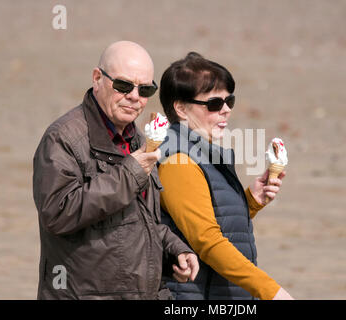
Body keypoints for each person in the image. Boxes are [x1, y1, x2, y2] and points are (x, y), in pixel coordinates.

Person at [32, 41, 198, 300]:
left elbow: (138, 223)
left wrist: (174, 251)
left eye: (145, 89)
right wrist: (130, 173)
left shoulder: (138, 140)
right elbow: (58, 213)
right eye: (123, 85)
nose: (134, 96)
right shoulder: (62, 138)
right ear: (97, 78)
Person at [157, 52, 293, 300]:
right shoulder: (178, 162)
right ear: (181, 108)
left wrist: (250, 201)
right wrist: (272, 292)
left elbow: (206, 222)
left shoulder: (201, 153)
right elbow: (208, 241)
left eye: (229, 100)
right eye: (214, 104)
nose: (226, 110)